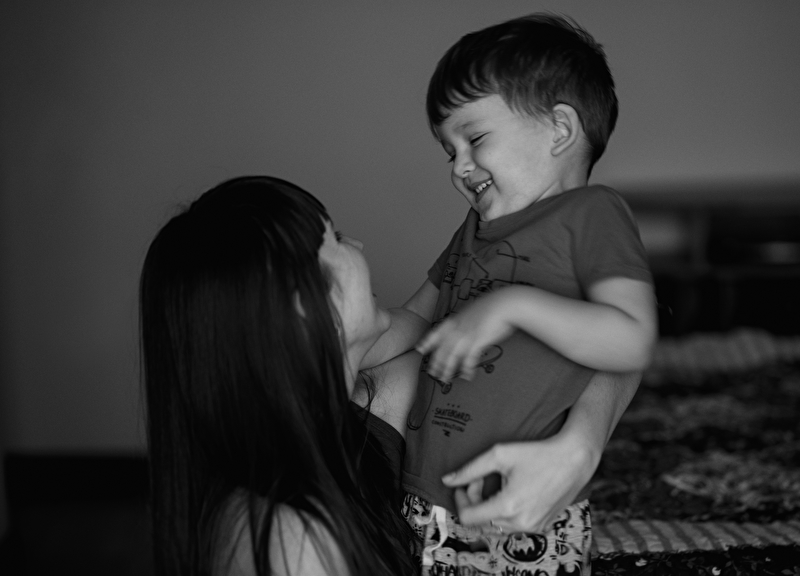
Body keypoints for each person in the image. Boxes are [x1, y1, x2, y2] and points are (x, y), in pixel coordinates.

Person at [396, 14, 659, 574]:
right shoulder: (473, 230)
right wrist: (336, 346)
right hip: (423, 499)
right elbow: (416, 320)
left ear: (559, 129)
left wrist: (511, 304)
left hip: (524, 513)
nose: (459, 167)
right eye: (449, 151)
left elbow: (632, 339)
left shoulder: (593, 214)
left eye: (474, 138)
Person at [139, 176, 424, 576]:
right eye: (336, 238)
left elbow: (434, 318)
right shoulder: (290, 539)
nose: (358, 245)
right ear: (303, 306)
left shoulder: (349, 424)